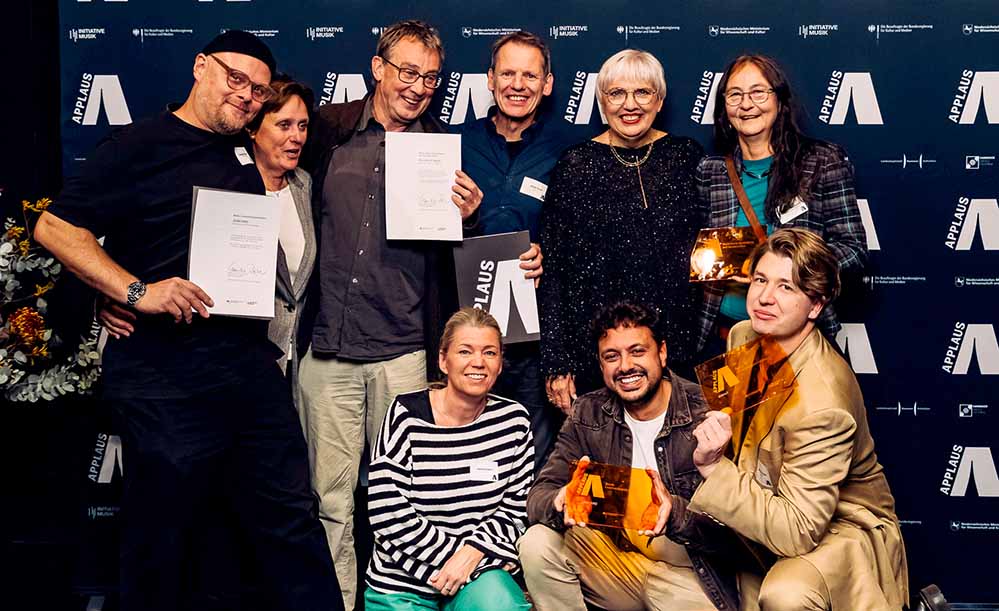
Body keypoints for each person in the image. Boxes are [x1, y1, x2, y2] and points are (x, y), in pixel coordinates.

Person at [32, 31, 342, 611]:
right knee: (163, 535)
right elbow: (54, 228)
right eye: (236, 79)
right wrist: (133, 290)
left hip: (246, 365)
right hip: (163, 374)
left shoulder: (246, 154)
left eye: (258, 90)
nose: (247, 96)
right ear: (202, 67)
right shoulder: (138, 144)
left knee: (292, 520)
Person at [296, 20, 486, 609]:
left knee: (408, 504)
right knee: (329, 501)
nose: (418, 87)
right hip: (327, 350)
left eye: (431, 77)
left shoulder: (439, 152)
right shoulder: (325, 130)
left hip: (404, 353)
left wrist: (470, 218)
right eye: (407, 72)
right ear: (377, 67)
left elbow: (457, 259)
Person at [689, 228, 907, 610]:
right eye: (760, 280)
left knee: (786, 595)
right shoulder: (743, 336)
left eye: (786, 287)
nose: (765, 298)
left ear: (815, 306)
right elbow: (735, 434)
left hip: (838, 526)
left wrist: (712, 469)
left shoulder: (824, 404)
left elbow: (798, 532)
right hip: (767, 498)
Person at [519, 301, 746, 611]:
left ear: (662, 353)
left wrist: (674, 513)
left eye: (637, 351)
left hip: (687, 572)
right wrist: (560, 499)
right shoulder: (588, 412)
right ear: (601, 366)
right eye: (612, 356)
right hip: (615, 564)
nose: (625, 366)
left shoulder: (705, 410)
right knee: (537, 543)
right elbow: (538, 497)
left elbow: (739, 537)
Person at [540, 49, 704, 415]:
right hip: (597, 354)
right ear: (602, 101)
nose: (630, 104)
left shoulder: (686, 157)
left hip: (678, 348)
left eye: (643, 92)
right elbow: (552, 271)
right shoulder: (576, 165)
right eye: (617, 94)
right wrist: (556, 359)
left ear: (659, 100)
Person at [695, 54, 867, 356]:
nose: (746, 104)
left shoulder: (822, 162)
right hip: (727, 338)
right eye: (734, 94)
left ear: (779, 99)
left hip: (798, 337)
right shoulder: (711, 171)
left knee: (808, 406)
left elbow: (853, 249)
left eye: (758, 92)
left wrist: (787, 270)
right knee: (723, 407)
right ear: (724, 107)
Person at [364, 307, 534, 611]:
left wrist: (473, 555)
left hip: (477, 576)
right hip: (403, 582)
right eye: (465, 351)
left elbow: (515, 511)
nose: (478, 362)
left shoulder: (513, 422)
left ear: (500, 365)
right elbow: (386, 511)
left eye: (490, 353)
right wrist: (457, 559)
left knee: (502, 606)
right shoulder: (406, 415)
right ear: (444, 360)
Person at [459, 30, 565, 471]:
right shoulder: (456, 143)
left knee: (531, 456)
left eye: (529, 74)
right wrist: (465, 219)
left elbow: (579, 239)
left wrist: (550, 253)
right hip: (470, 332)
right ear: (489, 79)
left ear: (548, 84)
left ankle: (523, 538)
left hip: (533, 335)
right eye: (508, 73)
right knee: (469, 447)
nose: (517, 85)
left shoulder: (567, 151)